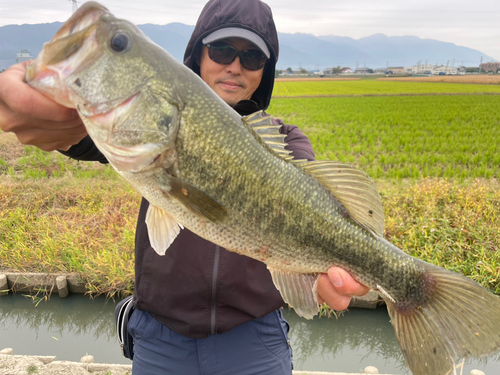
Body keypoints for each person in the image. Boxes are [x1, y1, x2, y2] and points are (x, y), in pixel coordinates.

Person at [0, 0, 370, 374]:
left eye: (252, 57)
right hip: (159, 337)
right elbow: (79, 133)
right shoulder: (140, 129)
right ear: (197, 54)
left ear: (265, 70)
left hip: (255, 339)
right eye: (222, 50)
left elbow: (314, 197)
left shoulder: (286, 142)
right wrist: (53, 113)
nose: (234, 65)